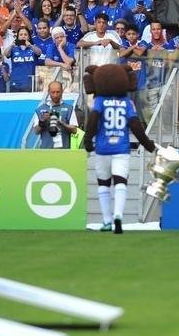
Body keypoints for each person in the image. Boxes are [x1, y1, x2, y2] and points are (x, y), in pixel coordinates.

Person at [84, 76, 157, 233]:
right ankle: (118, 216)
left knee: (103, 184)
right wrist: (147, 144)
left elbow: (92, 120)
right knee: (120, 182)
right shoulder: (127, 102)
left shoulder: (100, 101)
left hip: (103, 147)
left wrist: (88, 140)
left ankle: (106, 221)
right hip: (121, 147)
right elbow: (135, 125)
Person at [31, 80, 79, 149]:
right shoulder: (40, 109)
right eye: (53, 92)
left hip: (63, 151)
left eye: (58, 92)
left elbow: (74, 130)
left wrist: (61, 123)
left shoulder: (69, 109)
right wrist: (42, 121)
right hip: (46, 151)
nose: (55, 95)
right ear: (49, 92)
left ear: (62, 91)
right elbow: (36, 131)